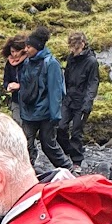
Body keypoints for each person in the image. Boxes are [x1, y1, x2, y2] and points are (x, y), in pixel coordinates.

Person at [19, 26, 74, 172]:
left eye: (29, 47)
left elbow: (56, 92)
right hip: (29, 111)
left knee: (48, 144)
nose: (26, 49)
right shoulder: (27, 62)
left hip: (46, 113)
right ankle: (28, 171)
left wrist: (55, 115)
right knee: (26, 142)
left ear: (37, 47)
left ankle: (67, 168)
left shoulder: (51, 64)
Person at [60, 32, 99, 166]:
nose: (73, 51)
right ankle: (69, 150)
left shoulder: (91, 62)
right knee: (60, 127)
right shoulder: (71, 58)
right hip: (68, 99)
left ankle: (77, 161)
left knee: (76, 132)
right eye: (71, 48)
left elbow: (93, 83)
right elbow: (66, 77)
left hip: (82, 102)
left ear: (82, 44)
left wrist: (88, 102)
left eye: (75, 48)